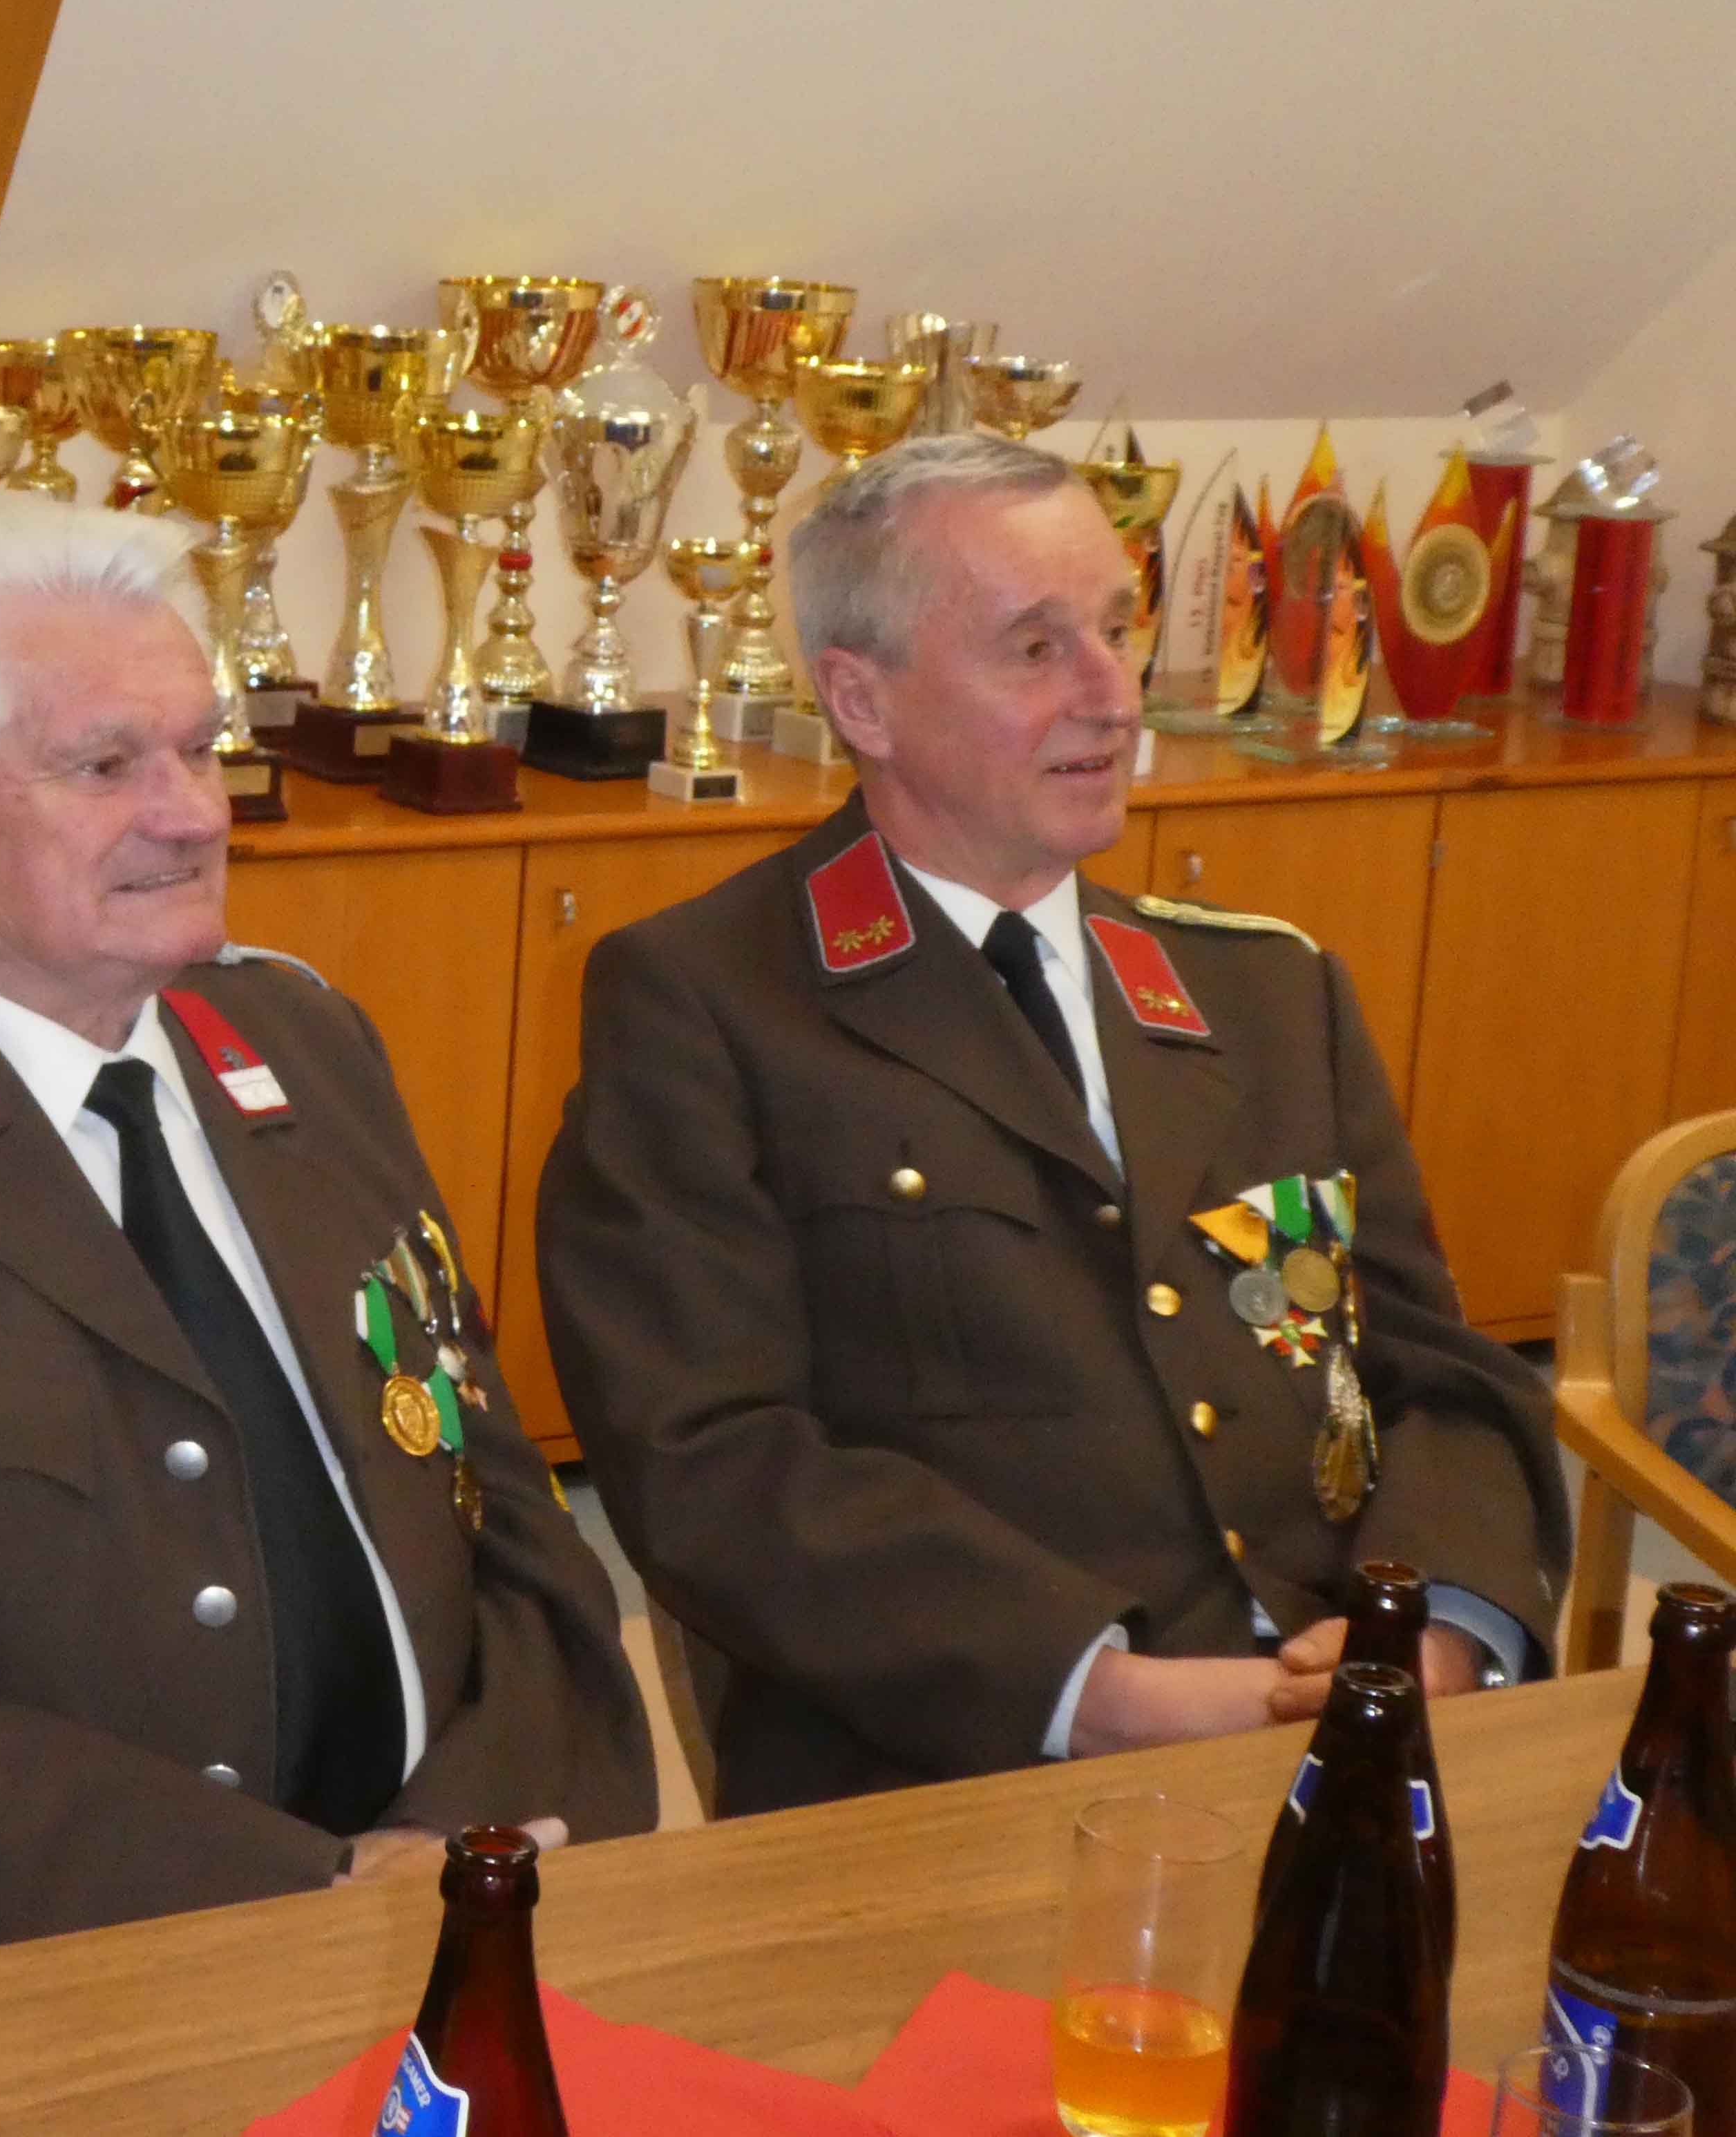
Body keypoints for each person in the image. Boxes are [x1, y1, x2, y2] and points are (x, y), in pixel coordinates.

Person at [0, 491, 656, 2005]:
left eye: (200, 749)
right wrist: (317, 1900)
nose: (196, 812)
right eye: (104, 766)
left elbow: (516, 1534)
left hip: (443, 1922)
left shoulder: (303, 1043)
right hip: (0, 1989)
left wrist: (468, 1857)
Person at [534, 432, 1567, 1816]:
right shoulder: (710, 1005)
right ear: (862, 701)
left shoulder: (1266, 989)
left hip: (1358, 1722)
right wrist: (1102, 1694)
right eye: (1034, 648)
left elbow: (1437, 1372)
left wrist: (1438, 1633)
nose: (1111, 694)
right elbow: (709, 1462)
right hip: (963, 1762)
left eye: (1118, 631)